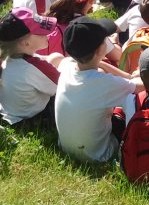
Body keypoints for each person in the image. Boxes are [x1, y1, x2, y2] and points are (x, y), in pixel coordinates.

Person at [56, 17, 139, 162]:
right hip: (99, 155)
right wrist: (137, 74)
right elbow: (142, 86)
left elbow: (93, 65)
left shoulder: (66, 68)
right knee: (132, 100)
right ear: (101, 49)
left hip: (66, 148)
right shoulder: (104, 83)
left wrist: (121, 74)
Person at [0, 8, 64, 126]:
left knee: (56, 57)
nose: (47, 33)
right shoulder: (34, 67)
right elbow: (65, 86)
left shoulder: (8, 58)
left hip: (10, 113)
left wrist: (56, 59)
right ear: (26, 43)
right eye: (41, 32)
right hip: (32, 119)